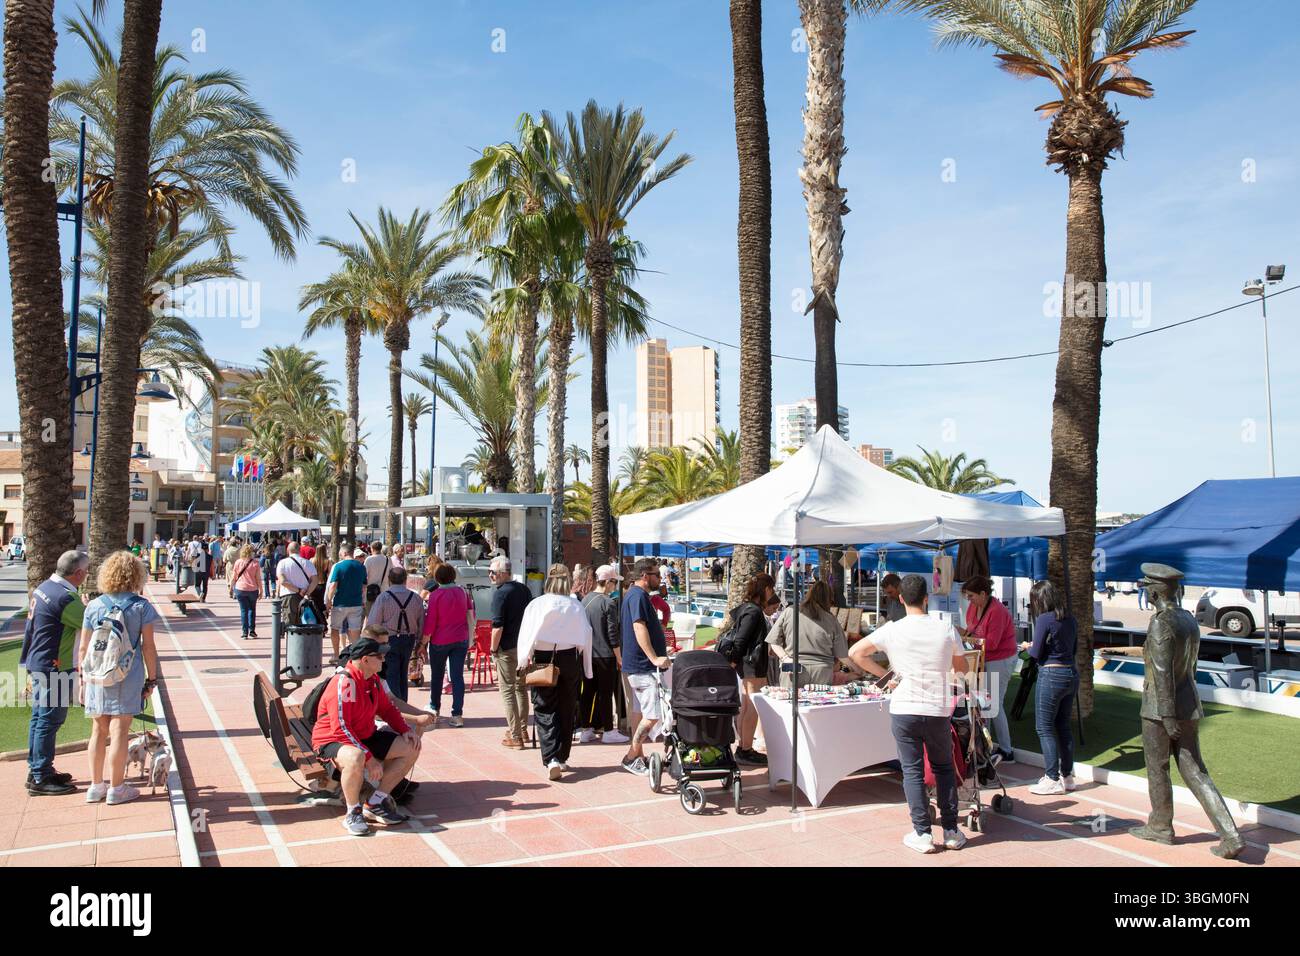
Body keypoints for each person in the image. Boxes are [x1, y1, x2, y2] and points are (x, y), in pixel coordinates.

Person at [849, 573, 969, 855]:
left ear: (901, 598)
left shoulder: (893, 629)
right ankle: (951, 830)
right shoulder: (945, 629)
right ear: (927, 598)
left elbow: (856, 652)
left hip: (905, 707)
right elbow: (962, 669)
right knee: (943, 768)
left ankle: (922, 833)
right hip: (937, 708)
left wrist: (889, 675)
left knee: (913, 770)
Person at [310, 637, 419, 836]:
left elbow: (387, 709)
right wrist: (369, 759)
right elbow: (341, 729)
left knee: (411, 747)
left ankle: (376, 802)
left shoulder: (373, 679)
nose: (384, 660)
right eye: (379, 656)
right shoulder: (344, 683)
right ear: (365, 660)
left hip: (362, 735)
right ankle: (353, 812)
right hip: (332, 740)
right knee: (356, 758)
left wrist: (405, 730)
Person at [78, 551, 162, 806]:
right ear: (136, 575)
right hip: (127, 674)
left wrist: (83, 678)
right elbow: (148, 647)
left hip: (96, 674)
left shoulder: (94, 605)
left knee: (98, 729)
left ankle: (95, 786)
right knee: (120, 731)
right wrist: (152, 679)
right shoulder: (141, 606)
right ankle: (117, 789)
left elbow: (83, 648)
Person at [20, 550, 89, 795]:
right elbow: (90, 622)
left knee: (40, 719)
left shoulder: (45, 588)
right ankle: (41, 776)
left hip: (40, 661)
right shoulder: (64, 598)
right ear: (78, 573)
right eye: (86, 570)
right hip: (55, 666)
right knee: (49, 720)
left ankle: (38, 770)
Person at [517, 564, 592, 781]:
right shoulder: (575, 605)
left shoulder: (537, 604)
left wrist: (523, 659)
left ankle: (551, 757)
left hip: (543, 659)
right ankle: (561, 756)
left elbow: (526, 633)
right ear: (567, 581)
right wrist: (586, 666)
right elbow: (586, 635)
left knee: (544, 707)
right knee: (567, 708)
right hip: (569, 659)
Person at [1019, 579, 1079, 796]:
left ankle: (1052, 777)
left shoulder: (1045, 619)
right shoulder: (1070, 619)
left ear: (1040, 600)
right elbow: (1073, 649)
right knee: (1063, 726)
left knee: (1044, 727)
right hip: (1071, 674)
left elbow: (1035, 654)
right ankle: (1067, 776)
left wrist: (1029, 646)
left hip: (1051, 674)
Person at [618, 558, 670, 776]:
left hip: (638, 665)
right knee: (653, 715)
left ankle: (637, 755)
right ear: (644, 575)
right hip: (642, 666)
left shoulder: (634, 595)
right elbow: (639, 628)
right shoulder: (638, 596)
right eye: (656, 574)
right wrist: (654, 658)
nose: (660, 578)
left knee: (640, 714)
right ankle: (631, 756)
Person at [958, 575, 1018, 763]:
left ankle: (1007, 750)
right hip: (983, 659)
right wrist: (965, 634)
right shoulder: (974, 607)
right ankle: (987, 745)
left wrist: (967, 637)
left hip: (1000, 659)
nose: (969, 600)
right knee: (985, 704)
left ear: (983, 594)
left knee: (994, 705)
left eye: (971, 596)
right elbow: (971, 630)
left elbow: (991, 643)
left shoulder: (997, 611)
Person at [767, 579, 862, 689]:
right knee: (818, 705)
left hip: (793, 668)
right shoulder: (831, 619)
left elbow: (773, 642)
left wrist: (785, 658)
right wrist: (859, 670)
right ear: (828, 600)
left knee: (789, 703)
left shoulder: (790, 611)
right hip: (822, 672)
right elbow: (842, 656)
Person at [725, 572, 774, 765]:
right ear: (766, 589)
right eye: (772, 589)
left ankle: (744, 747)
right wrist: (735, 660)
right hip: (752, 665)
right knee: (752, 707)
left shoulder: (749, 609)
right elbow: (742, 639)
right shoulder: (753, 611)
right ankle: (745, 749)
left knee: (746, 706)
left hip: (749, 665)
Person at [577, 564, 626, 745]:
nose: (615, 586)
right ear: (608, 582)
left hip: (588, 654)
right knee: (605, 693)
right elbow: (612, 634)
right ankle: (608, 730)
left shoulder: (585, 600)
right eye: (614, 582)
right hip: (605, 655)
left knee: (588, 692)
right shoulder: (608, 603)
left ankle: (586, 729)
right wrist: (619, 657)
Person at [487, 555, 532, 749]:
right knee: (521, 688)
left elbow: (498, 626)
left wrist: (493, 648)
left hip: (507, 648)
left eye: (494, 573)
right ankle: (522, 730)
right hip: (522, 646)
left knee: (507, 690)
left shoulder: (500, 594)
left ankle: (516, 735)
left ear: (504, 573)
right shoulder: (524, 589)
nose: (491, 576)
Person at [421, 563, 475, 722]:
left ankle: (434, 707)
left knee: (437, 676)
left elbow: (430, 621)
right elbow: (470, 613)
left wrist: (423, 642)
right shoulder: (462, 592)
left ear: (437, 577)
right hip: (460, 639)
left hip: (440, 640)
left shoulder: (435, 595)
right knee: (457, 676)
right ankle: (457, 714)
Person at [367, 566, 423, 703]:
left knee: (391, 674)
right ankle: (403, 704)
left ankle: (396, 708)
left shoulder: (383, 598)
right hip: (409, 639)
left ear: (389, 580)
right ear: (405, 580)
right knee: (403, 674)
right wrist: (420, 641)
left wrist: (372, 642)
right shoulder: (415, 597)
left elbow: (373, 623)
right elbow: (421, 621)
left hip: (389, 639)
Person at [325, 544, 367, 661]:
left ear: (343, 553)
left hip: (340, 603)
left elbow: (333, 585)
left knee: (335, 628)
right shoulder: (361, 567)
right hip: (356, 603)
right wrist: (363, 600)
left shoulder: (338, 566)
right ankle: (355, 656)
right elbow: (364, 586)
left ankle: (336, 655)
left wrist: (328, 601)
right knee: (355, 630)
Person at [276, 541, 318, 626]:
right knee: (304, 623)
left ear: (288, 550)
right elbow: (315, 581)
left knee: (289, 624)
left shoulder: (282, 563)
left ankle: (290, 639)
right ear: (299, 550)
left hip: (288, 595)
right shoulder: (308, 563)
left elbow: (283, 581)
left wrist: (298, 590)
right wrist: (307, 592)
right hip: (304, 596)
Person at [228, 544, 263, 640]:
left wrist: (231, 588)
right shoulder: (255, 563)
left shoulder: (238, 562)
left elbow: (234, 577)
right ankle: (252, 630)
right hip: (252, 589)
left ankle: (244, 632)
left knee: (244, 610)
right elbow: (258, 578)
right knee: (252, 610)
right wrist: (261, 590)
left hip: (240, 588)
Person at [363, 541, 391, 616]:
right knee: (382, 615)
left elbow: (364, 575)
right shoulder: (388, 559)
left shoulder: (369, 560)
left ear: (371, 549)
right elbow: (390, 574)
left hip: (370, 592)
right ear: (381, 548)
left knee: (370, 615)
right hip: (384, 590)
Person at [190, 537, 211, 601]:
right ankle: (203, 598)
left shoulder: (197, 555)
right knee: (205, 586)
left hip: (198, 572)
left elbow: (193, 564)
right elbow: (212, 566)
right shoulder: (210, 557)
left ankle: (200, 594)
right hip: (206, 572)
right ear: (207, 549)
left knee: (197, 585)